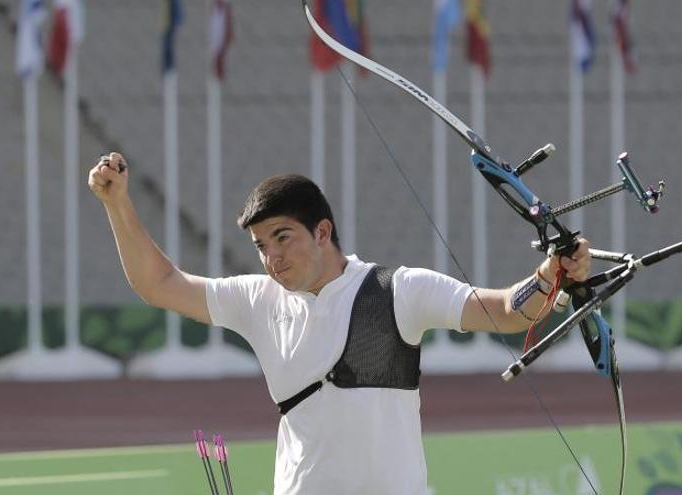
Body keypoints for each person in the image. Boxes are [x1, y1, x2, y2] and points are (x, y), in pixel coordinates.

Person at [87, 152, 591, 495]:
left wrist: (552, 275)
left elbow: (503, 309)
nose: (271, 258)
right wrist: (116, 203)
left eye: (282, 237)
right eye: (261, 245)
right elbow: (159, 285)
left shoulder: (399, 289)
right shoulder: (257, 299)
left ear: (322, 230)